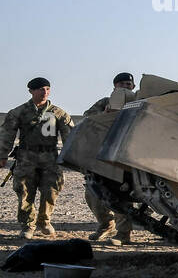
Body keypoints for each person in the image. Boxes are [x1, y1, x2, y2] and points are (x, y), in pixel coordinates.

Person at [0, 78, 75, 240]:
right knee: (25, 191)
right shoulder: (18, 112)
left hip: (50, 158)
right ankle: (28, 225)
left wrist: (73, 158)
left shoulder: (58, 113)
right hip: (27, 157)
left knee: (51, 191)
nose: (45, 92)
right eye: (41, 89)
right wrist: (2, 155)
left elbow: (71, 138)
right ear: (31, 91)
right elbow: (7, 135)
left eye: (47, 89)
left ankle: (44, 221)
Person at [84, 72, 137, 243]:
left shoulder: (140, 103)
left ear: (133, 87)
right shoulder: (104, 103)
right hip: (104, 155)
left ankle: (123, 233)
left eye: (128, 85)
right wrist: (105, 115)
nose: (125, 87)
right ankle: (105, 224)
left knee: (122, 194)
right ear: (115, 87)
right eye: (121, 84)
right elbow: (87, 119)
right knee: (92, 194)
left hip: (127, 157)